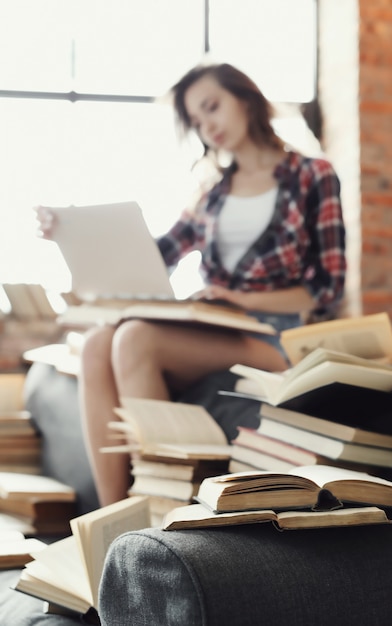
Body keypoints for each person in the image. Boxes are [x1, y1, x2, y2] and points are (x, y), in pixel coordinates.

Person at [36, 62, 346, 506]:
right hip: (216, 327)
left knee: (135, 340)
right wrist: (69, 230)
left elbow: (327, 288)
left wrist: (236, 297)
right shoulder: (213, 193)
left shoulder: (313, 175)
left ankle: (160, 512)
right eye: (197, 121)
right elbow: (154, 257)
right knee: (97, 343)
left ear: (245, 98)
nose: (207, 125)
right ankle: (117, 521)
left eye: (212, 107)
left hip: (277, 335)